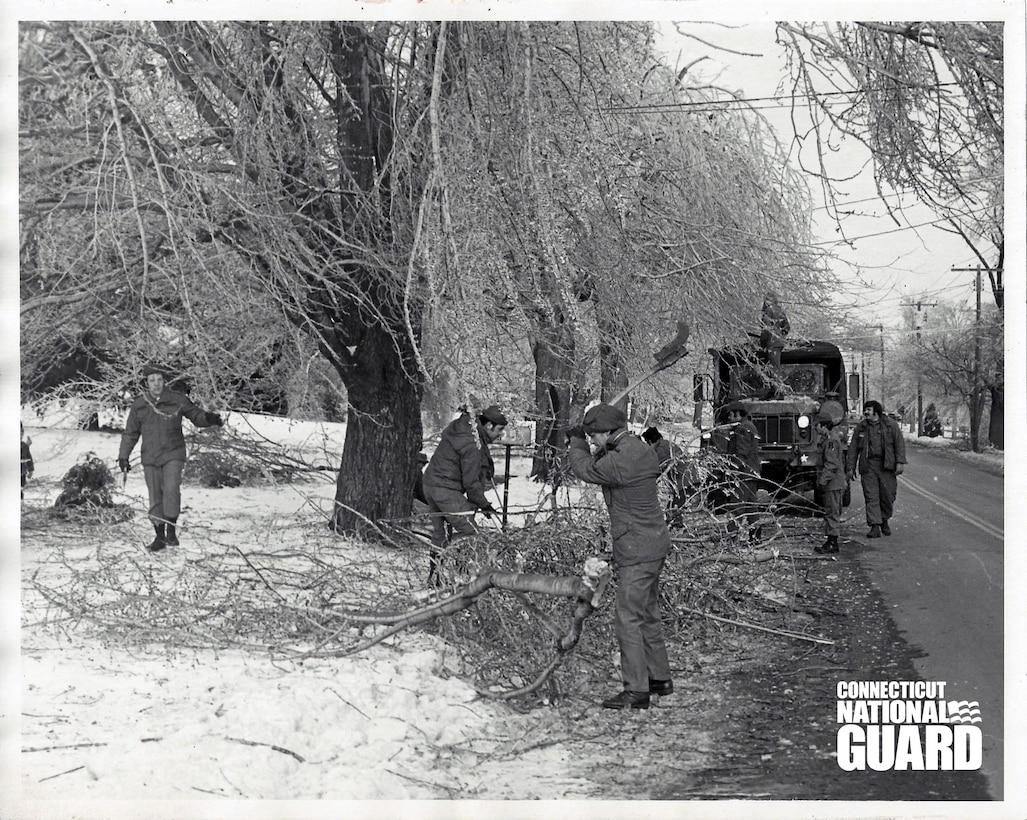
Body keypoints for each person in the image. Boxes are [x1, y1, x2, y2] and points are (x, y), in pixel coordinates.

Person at [567, 403, 673, 711]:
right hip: (653, 544)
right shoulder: (637, 448)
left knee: (627, 618)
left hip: (637, 548)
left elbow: (586, 469)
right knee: (648, 614)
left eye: (594, 436)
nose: (594, 442)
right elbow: (602, 458)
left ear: (607, 432)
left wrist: (576, 443)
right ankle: (659, 679)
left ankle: (636, 690)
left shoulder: (621, 459)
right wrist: (588, 441)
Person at [118, 364, 223, 552]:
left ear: (164, 381)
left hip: (173, 452)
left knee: (172, 489)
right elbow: (130, 433)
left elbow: (195, 415)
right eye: (152, 380)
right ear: (146, 383)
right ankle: (159, 537)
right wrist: (123, 456)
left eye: (159, 379)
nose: (156, 384)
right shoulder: (140, 404)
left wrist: (209, 418)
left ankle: (171, 530)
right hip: (150, 456)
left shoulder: (177, 400)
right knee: (155, 497)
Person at [421, 404, 507, 586]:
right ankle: (464, 577)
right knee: (471, 533)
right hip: (445, 488)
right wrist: (484, 505)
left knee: (441, 534)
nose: (501, 435)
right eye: (499, 430)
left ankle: (435, 578)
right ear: (489, 425)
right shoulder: (472, 445)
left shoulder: (465, 429)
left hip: (430, 482)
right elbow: (471, 484)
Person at [846, 400, 906, 538]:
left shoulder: (890, 425)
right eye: (865, 409)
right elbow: (853, 448)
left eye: (869, 409)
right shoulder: (861, 427)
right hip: (868, 466)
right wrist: (850, 467)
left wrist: (900, 462)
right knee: (871, 496)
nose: (866, 412)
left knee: (887, 495)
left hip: (886, 465)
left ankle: (884, 520)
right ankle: (874, 525)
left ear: (876, 411)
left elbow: (899, 444)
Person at [714, 401, 762, 542]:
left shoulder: (742, 428)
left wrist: (731, 471)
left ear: (737, 413)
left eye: (730, 415)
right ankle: (755, 536)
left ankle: (730, 537)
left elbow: (741, 454)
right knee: (751, 506)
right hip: (751, 473)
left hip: (742, 474)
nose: (729, 418)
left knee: (736, 506)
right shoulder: (749, 426)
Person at [813, 412, 847, 554]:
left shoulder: (831, 441)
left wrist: (822, 481)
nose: (815, 428)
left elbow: (831, 464)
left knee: (832, 512)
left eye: (817, 425)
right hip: (830, 482)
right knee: (829, 511)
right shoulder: (825, 439)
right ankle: (830, 540)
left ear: (824, 426)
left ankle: (833, 543)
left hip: (833, 483)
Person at [641, 426, 688, 527]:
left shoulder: (660, 449)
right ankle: (676, 527)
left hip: (684, 481)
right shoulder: (667, 444)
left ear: (650, 441)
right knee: (674, 507)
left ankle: (677, 529)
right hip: (688, 479)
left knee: (673, 508)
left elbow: (658, 469)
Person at [21, 422, 34, 499]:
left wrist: (31, 470)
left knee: (21, 489)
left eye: (22, 433)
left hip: (22, 472)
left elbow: (28, 458)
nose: (20, 435)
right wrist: (27, 446)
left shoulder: (23, 444)